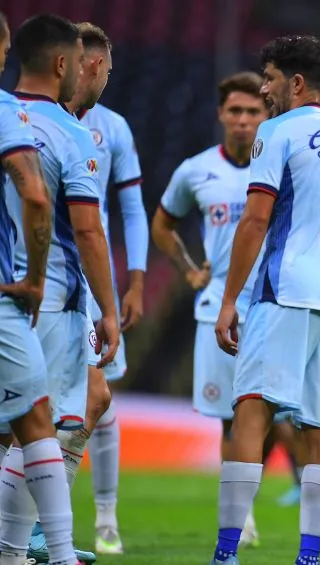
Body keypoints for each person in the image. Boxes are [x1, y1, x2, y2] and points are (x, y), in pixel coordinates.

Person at [210, 34, 320, 565]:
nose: (265, 88)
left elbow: (257, 218)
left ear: (296, 82)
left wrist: (229, 299)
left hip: (286, 291)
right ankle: (309, 556)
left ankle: (226, 552)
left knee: (252, 410)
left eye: (270, 77)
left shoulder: (277, 130)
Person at [0, 13, 121, 565]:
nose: (83, 73)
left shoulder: (4, 114)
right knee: (36, 426)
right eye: (77, 62)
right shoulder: (69, 132)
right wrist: (111, 312)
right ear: (60, 64)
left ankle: (22, 549)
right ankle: (31, 549)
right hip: (42, 294)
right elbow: (89, 230)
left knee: (19, 427)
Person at [153, 70, 269, 551]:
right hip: (219, 305)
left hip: (271, 301)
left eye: (253, 112)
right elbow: (164, 224)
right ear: (222, 114)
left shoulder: (280, 166)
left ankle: (315, 519)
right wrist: (187, 269)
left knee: (284, 417)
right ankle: (242, 517)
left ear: (267, 116)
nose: (243, 121)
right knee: (230, 417)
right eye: (236, 111)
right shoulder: (196, 169)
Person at [59, 21, 146, 556]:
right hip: (58, 282)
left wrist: (133, 280)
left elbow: (131, 207)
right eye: (107, 70)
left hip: (90, 281)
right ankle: (36, 525)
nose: (108, 80)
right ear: (88, 64)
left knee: (96, 399)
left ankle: (102, 519)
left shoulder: (111, 128)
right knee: (74, 402)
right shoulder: (46, 124)